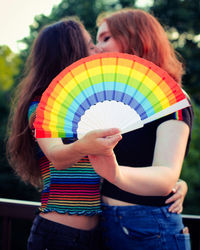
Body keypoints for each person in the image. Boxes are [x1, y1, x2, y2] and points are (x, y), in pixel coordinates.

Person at [6, 18, 122, 250]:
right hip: (58, 236)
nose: (97, 50)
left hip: (99, 234)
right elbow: (57, 156)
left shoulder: (94, 105)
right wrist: (86, 145)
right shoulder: (40, 107)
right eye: (90, 45)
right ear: (71, 54)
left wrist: (174, 184)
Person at [88, 8, 193, 250]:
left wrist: (115, 173)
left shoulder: (171, 98)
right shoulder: (110, 99)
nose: (97, 47)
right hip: (105, 223)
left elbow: (165, 176)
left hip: (148, 228)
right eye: (96, 39)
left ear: (136, 38)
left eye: (106, 38)